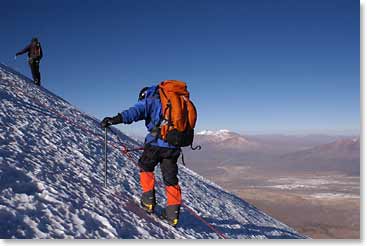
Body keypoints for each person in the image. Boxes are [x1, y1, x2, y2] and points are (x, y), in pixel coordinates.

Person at [101, 85, 183, 227]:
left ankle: (148, 202)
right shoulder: (174, 102)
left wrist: (112, 120)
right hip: (174, 146)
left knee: (146, 167)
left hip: (155, 145)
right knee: (170, 178)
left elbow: (132, 113)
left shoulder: (149, 100)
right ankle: (172, 216)